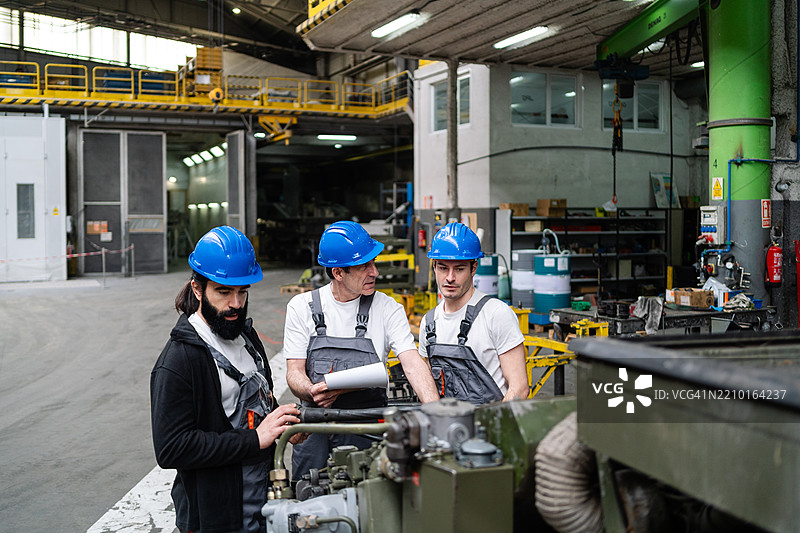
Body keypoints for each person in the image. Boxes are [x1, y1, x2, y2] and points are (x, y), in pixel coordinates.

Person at [151, 226, 304, 533]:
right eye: (223, 292)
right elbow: (171, 448)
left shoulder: (246, 338)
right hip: (215, 516)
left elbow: (259, 401)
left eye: (243, 290)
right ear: (197, 288)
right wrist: (255, 439)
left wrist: (280, 423)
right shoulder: (180, 361)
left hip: (262, 498)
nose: (236, 303)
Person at [284, 220, 439, 480]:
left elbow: (412, 362)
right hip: (315, 426)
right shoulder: (302, 307)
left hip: (366, 425)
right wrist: (311, 390)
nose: (374, 272)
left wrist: (436, 412)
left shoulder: (388, 308)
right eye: (363, 266)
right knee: (308, 497)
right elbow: (294, 371)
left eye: (373, 263)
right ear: (338, 273)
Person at [420, 222, 529, 404]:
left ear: (474, 268)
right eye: (443, 268)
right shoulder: (429, 323)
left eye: (459, 269)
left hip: (491, 424)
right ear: (434, 267)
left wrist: (496, 426)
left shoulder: (496, 314)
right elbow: (429, 388)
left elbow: (519, 387)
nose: (450, 278)